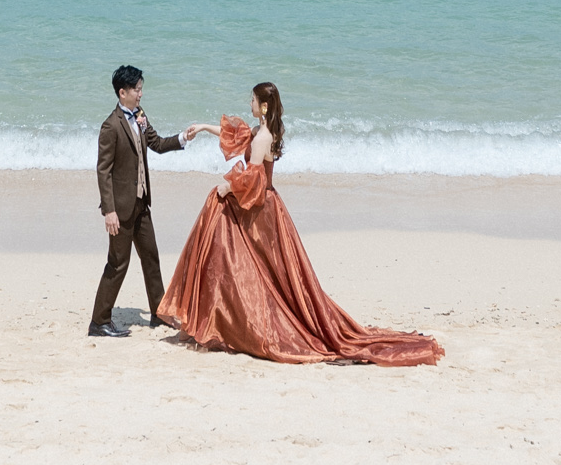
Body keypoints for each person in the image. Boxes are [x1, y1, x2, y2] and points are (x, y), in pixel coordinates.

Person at [159, 81, 441, 366]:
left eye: (253, 101)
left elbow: (253, 179)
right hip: (264, 205)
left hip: (260, 210)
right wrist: (204, 128)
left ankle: (222, 320)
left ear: (264, 105)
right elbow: (235, 135)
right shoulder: (260, 133)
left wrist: (226, 188)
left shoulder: (262, 138)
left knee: (256, 268)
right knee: (256, 267)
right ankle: (215, 318)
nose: (250, 105)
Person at [89, 63, 186, 337]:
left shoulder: (140, 116)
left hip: (142, 204)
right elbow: (103, 170)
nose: (141, 94)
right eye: (137, 89)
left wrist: (181, 138)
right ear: (123, 93)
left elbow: (155, 143)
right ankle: (99, 321)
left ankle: (158, 314)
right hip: (120, 209)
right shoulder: (110, 126)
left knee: (151, 257)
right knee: (118, 263)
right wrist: (108, 210)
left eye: (141, 89)